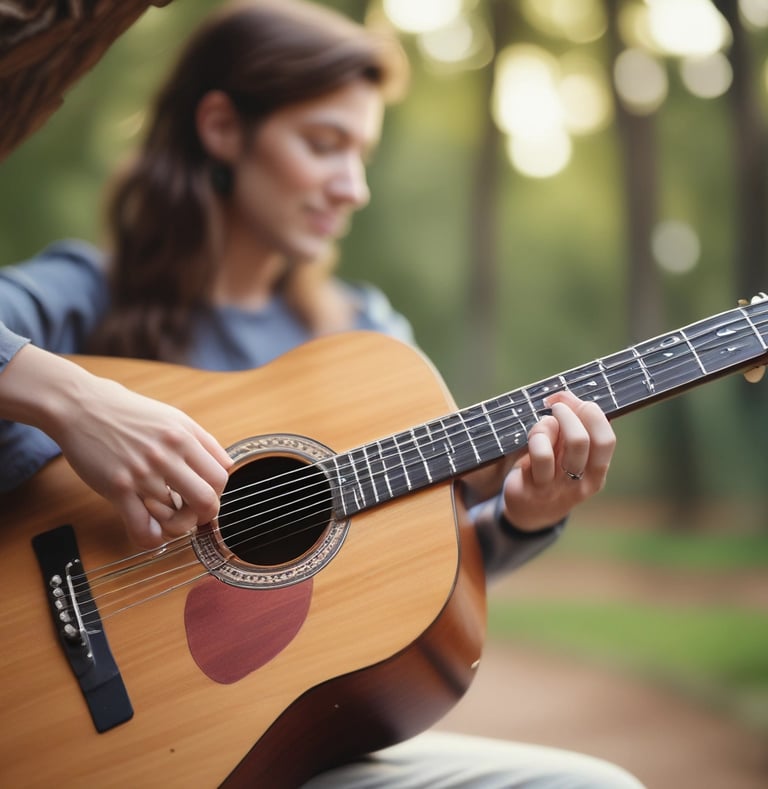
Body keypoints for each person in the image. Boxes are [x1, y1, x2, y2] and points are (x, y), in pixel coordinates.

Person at [0, 1, 642, 786]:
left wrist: (522, 514)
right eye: (324, 145)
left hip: (258, 742)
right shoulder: (89, 290)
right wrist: (77, 404)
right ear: (222, 128)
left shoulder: (369, 340)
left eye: (361, 153)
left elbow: (403, 578)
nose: (354, 187)